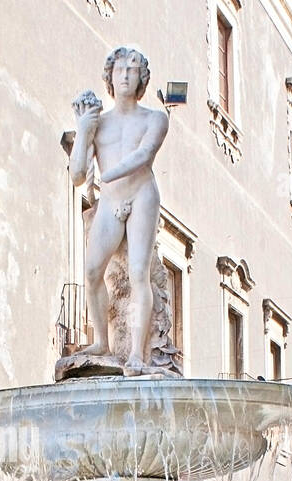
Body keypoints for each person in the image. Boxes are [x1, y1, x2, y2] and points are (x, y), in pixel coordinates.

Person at [69, 47, 169, 376]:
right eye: (120, 69)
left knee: (139, 272)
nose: (126, 75)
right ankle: (102, 342)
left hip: (141, 194)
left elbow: (144, 155)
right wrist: (83, 130)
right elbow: (78, 175)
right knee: (92, 272)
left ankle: (138, 357)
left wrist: (109, 175)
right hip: (111, 202)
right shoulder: (99, 125)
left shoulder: (155, 118)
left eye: (134, 69)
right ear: (110, 76)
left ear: (142, 78)